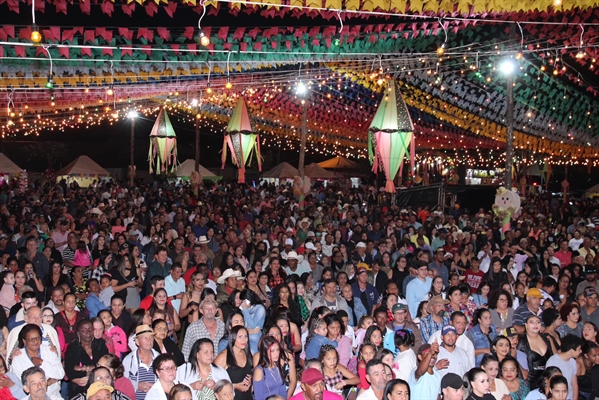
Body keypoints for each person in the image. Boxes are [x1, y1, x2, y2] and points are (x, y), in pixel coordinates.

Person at [10, 324, 64, 398]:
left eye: (38, 338)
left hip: (53, 395)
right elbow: (20, 384)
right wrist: (46, 383)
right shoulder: (18, 359)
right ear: (24, 341)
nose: (35, 341)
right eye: (31, 339)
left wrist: (42, 363)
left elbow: (60, 373)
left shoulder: (49, 350)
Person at [64, 319, 110, 398]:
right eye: (84, 330)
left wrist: (83, 368)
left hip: (100, 385)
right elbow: (70, 370)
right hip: (79, 387)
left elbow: (107, 365)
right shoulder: (72, 347)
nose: (88, 333)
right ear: (78, 332)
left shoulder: (100, 344)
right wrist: (92, 369)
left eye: (90, 329)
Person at [213, 325, 253, 400]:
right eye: (240, 337)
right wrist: (234, 386)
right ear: (233, 338)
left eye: (245, 336)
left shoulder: (247, 353)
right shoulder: (224, 356)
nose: (244, 340)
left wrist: (250, 380)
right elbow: (213, 381)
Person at [123, 324, 160, 400]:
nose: (149, 340)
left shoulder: (158, 357)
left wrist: (157, 385)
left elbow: (166, 379)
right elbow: (123, 381)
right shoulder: (129, 359)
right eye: (145, 338)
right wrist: (137, 385)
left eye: (151, 337)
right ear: (137, 341)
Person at [518, 315, 553, 390]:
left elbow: (554, 357)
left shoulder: (546, 338)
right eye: (531, 322)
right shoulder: (521, 342)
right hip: (530, 382)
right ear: (526, 325)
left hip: (547, 380)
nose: (535, 324)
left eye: (538, 322)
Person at [546, 334, 582, 400]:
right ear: (572, 350)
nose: (581, 351)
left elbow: (574, 384)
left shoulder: (572, 361)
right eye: (579, 349)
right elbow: (548, 384)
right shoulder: (553, 361)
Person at [253, 335, 289, 400]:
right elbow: (258, 397)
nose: (276, 353)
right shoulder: (259, 371)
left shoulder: (278, 367)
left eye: (277, 350)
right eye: (272, 351)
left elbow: (283, 390)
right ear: (264, 352)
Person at [69, 366, 133, 400]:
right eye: (99, 378)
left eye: (107, 377)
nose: (104, 381)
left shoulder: (119, 397)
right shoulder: (81, 398)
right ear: (91, 381)